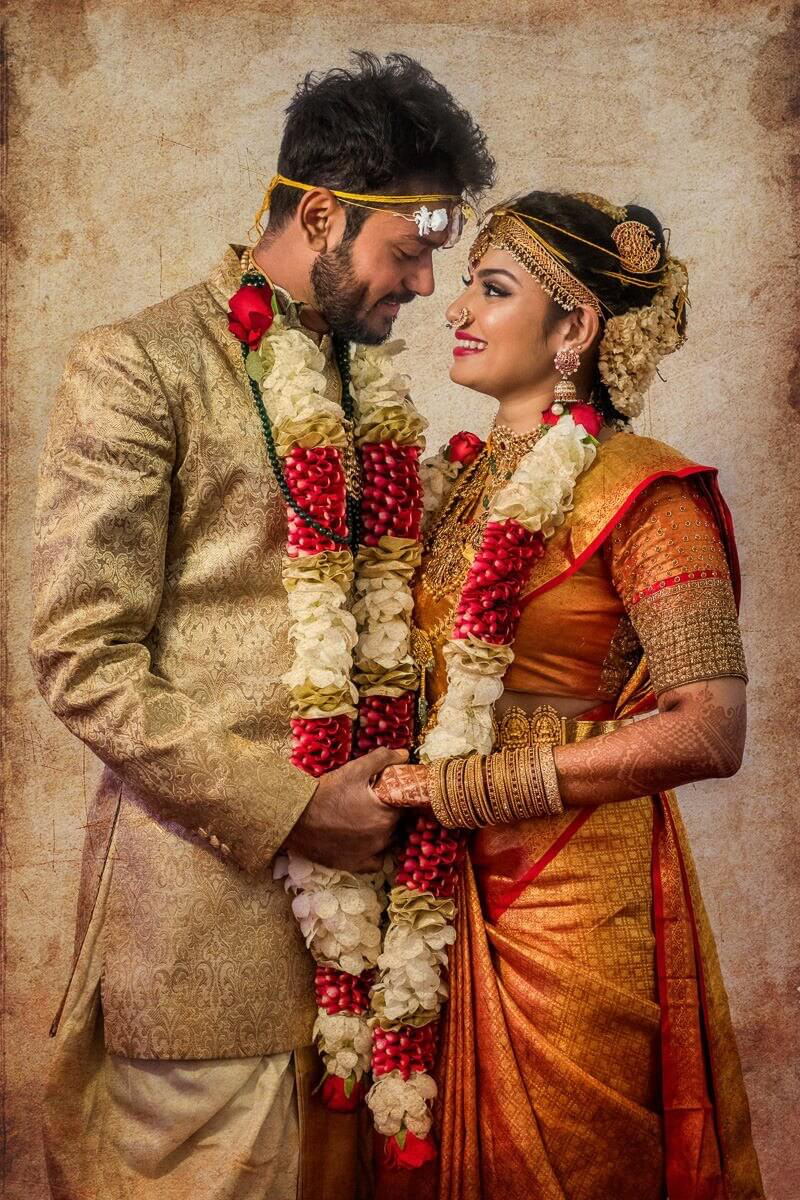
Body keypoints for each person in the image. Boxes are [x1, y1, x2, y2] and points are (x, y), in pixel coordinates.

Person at [29, 51, 495, 1200]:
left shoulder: (364, 388)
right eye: (408, 252)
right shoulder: (141, 367)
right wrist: (292, 809)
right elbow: (81, 657)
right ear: (323, 214)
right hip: (204, 946)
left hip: (382, 949)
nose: (426, 289)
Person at [376, 192, 765, 1199]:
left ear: (574, 328)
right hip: (425, 887)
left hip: (569, 902)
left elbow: (708, 730)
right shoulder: (443, 487)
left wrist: (474, 791)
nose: (454, 308)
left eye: (492, 289)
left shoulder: (648, 494)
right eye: (466, 283)